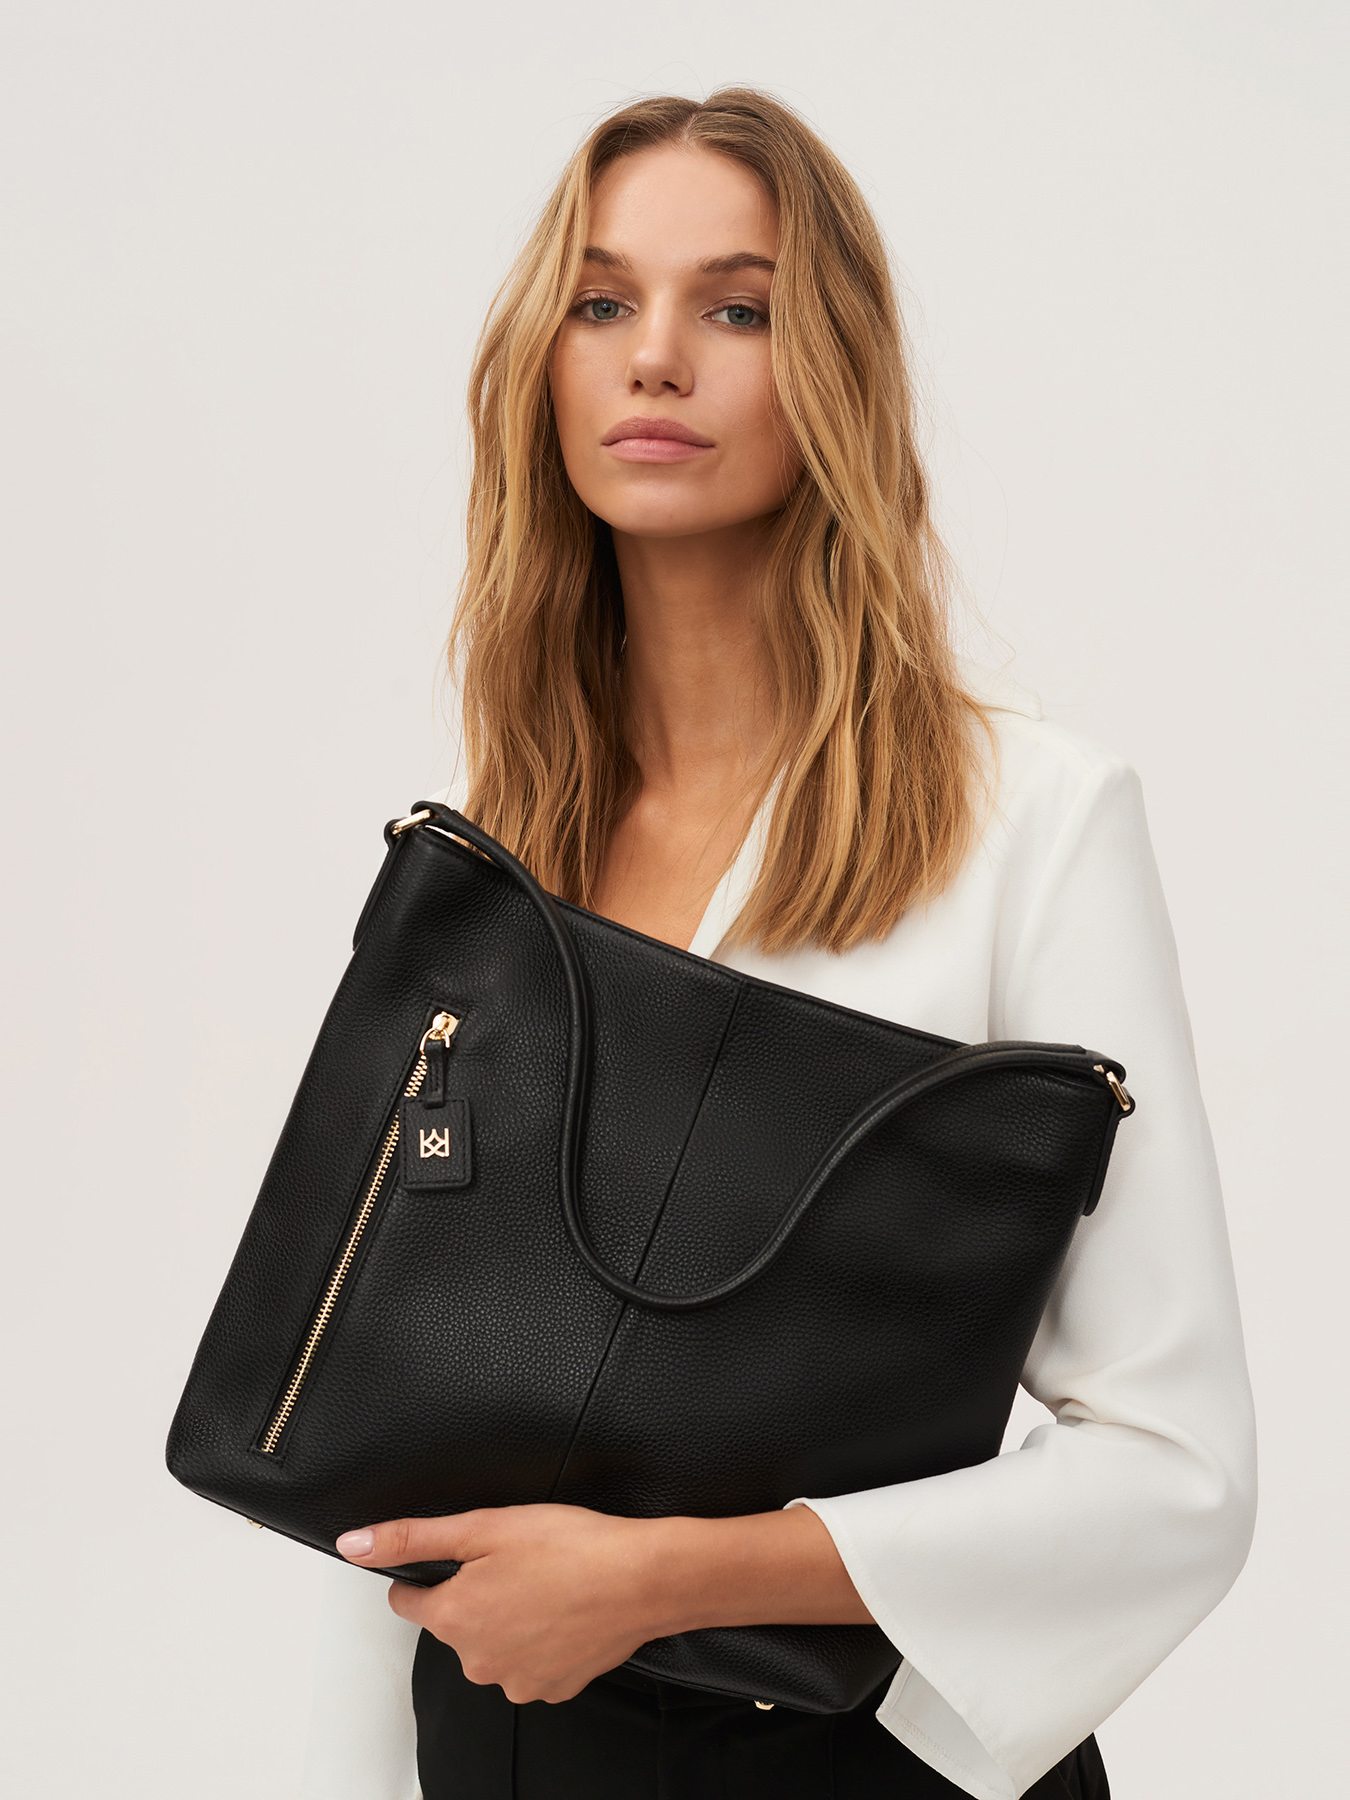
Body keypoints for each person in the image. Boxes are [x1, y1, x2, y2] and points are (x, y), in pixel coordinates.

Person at [298, 90, 1255, 1800]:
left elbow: (1174, 1474)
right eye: (601, 302)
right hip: (497, 1752)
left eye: (734, 309)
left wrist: (662, 1580)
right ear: (539, 365)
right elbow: (396, 1418)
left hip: (845, 1760)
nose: (655, 358)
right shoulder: (490, 847)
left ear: (834, 373)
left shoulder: (1026, 821)